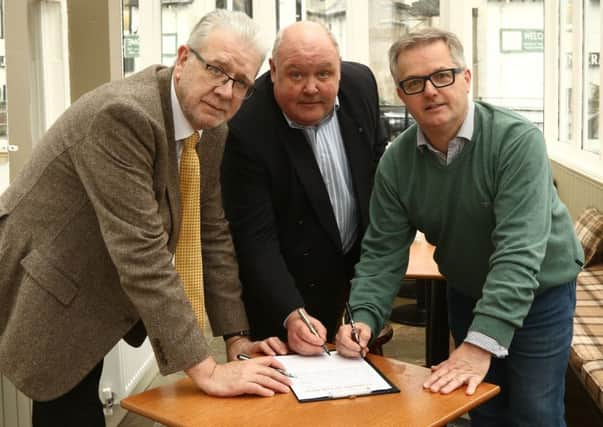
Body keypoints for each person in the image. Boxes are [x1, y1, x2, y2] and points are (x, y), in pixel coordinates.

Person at [0, 10, 292, 427]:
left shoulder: (211, 128)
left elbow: (211, 233)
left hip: (94, 286)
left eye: (241, 83)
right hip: (50, 284)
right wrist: (206, 370)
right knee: (65, 409)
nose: (226, 91)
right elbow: (143, 255)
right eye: (217, 70)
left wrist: (236, 337)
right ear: (183, 58)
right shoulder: (123, 116)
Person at [336, 27, 584, 427]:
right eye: (414, 83)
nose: (430, 91)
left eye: (442, 75)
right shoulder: (396, 165)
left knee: (534, 411)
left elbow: (519, 252)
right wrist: (363, 317)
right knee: (481, 408)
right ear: (400, 95)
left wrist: (479, 344)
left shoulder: (515, 141)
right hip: (468, 289)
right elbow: (383, 253)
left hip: (541, 291)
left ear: (466, 79)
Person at [221, 21, 387, 355]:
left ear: (339, 70)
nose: (311, 88)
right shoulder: (244, 126)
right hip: (285, 291)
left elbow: (378, 177)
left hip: (357, 282)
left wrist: (371, 293)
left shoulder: (361, 86)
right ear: (273, 70)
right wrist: (292, 313)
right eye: (296, 75)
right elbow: (256, 239)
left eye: (324, 74)